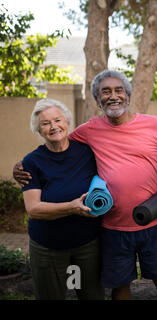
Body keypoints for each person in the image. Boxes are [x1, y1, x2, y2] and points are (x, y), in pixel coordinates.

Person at [14, 70, 157, 300]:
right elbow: (55, 141)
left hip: (154, 222)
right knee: (119, 288)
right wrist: (21, 167)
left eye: (118, 90)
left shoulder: (154, 125)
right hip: (112, 227)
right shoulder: (87, 131)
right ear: (97, 100)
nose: (113, 96)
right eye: (106, 91)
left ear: (128, 95)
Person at [21, 98, 104, 300]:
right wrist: (71, 207)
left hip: (87, 244)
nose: (53, 127)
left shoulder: (87, 152)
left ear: (67, 122)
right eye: (45, 123)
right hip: (48, 247)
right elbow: (33, 209)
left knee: (92, 296)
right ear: (38, 130)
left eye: (57, 120)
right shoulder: (32, 162)